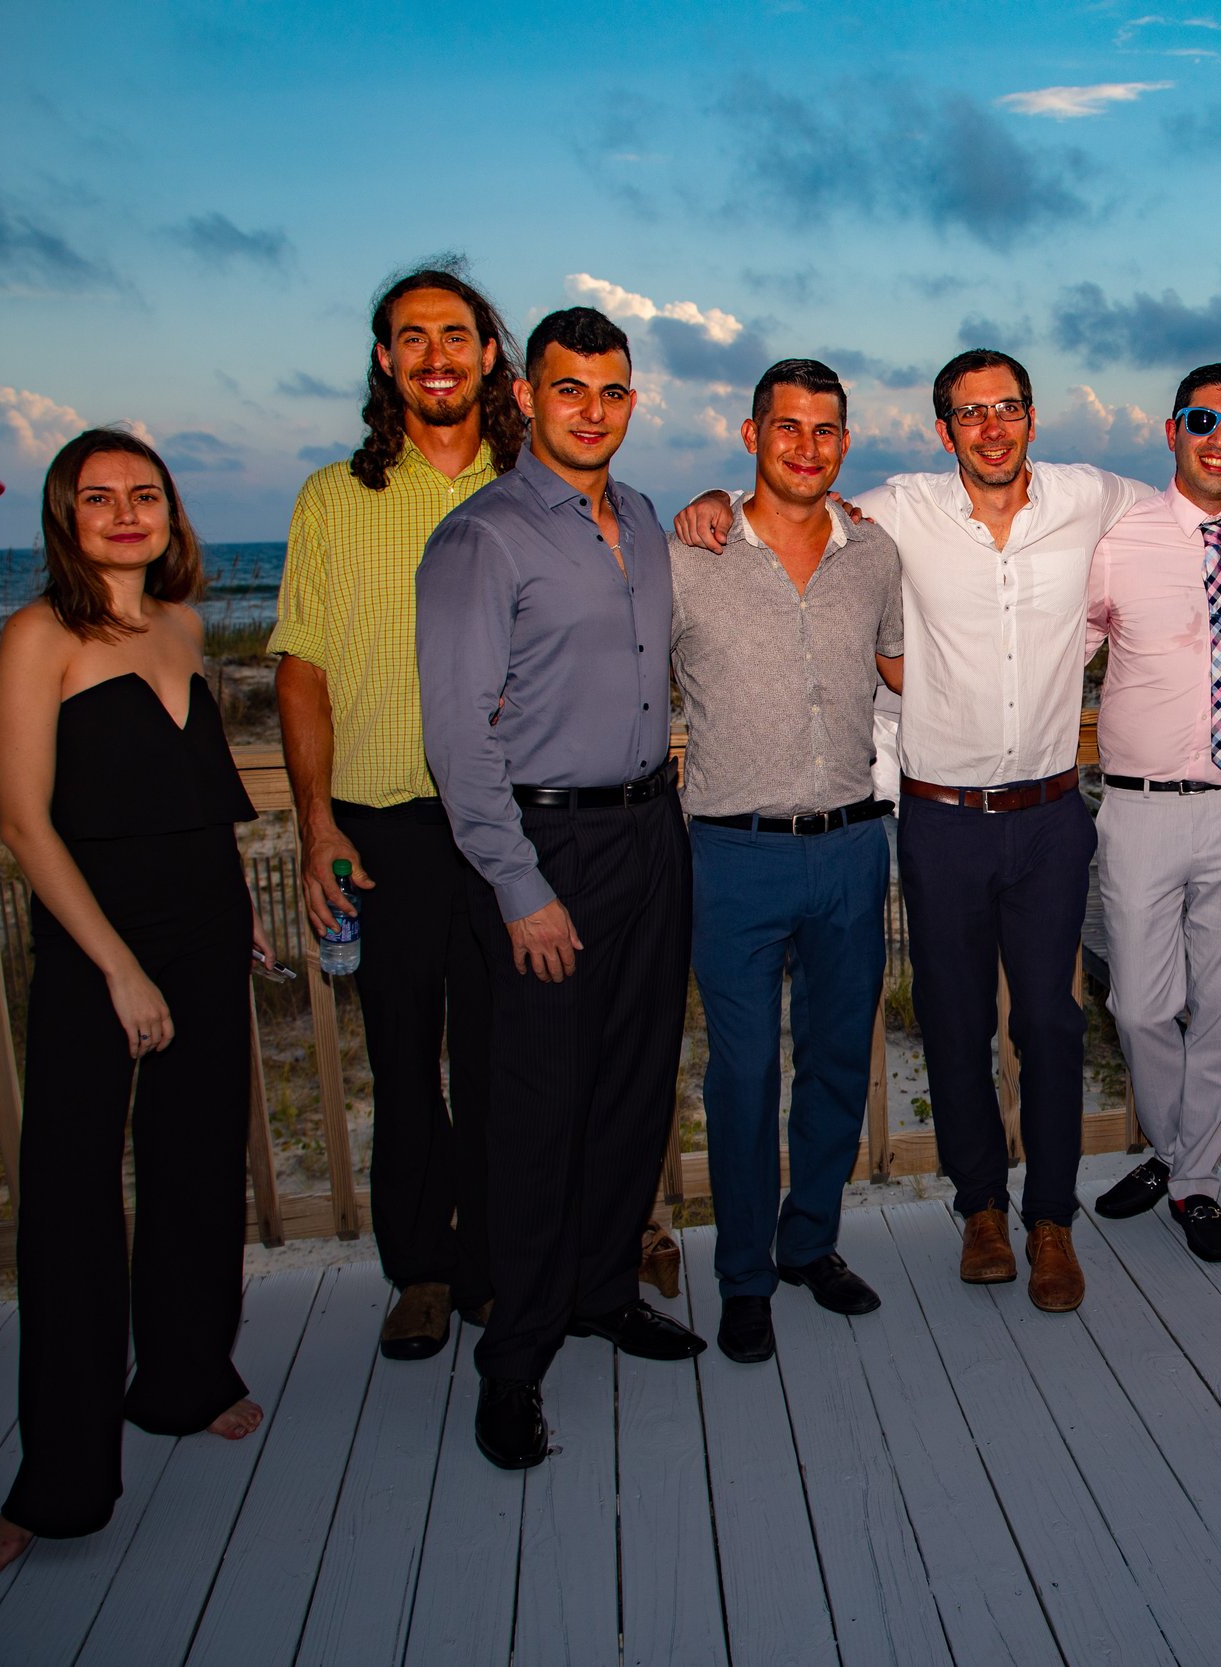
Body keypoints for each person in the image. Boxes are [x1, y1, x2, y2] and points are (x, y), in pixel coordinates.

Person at [678, 349, 1153, 1312]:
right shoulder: (896, 512)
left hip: (1054, 812)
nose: (991, 426)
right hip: (939, 818)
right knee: (951, 1019)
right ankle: (981, 1207)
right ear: (945, 431)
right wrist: (714, 501)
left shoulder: (1089, 495)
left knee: (1054, 1022)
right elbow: (795, 502)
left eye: (1007, 407)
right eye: (970, 413)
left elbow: (1193, 511)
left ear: (1032, 416)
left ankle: (1051, 1220)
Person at [0, 429, 272, 1579]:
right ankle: (61, 1481)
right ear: (66, 516)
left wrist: (232, 913)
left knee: (197, 1166)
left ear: (171, 511)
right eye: (99, 497)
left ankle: (188, 1377)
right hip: (97, 946)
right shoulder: (39, 635)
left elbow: (195, 800)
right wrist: (117, 967)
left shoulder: (182, 625)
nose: (125, 512)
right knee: (73, 1206)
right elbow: (25, 823)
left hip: (201, 930)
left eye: (144, 494)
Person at [417, 306, 704, 1473]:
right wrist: (520, 884)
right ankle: (514, 1360)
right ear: (526, 397)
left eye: (614, 390)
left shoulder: (637, 516)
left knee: (635, 1083)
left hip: (649, 831)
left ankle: (602, 1291)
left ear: (632, 402)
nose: (594, 408)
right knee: (536, 1115)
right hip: (548, 853)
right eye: (571, 388)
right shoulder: (480, 539)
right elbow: (456, 738)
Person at [271, 263, 523, 1362]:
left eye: (456, 336)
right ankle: (420, 1268)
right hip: (387, 833)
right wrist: (317, 824)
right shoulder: (334, 497)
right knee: (407, 1066)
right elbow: (301, 670)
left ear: (487, 357)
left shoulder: (533, 489)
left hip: (510, 828)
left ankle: (491, 1266)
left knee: (501, 1058)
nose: (436, 355)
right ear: (386, 359)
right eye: (413, 337)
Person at [670, 359, 903, 1363]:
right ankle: (743, 1275)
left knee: (839, 1062)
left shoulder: (874, 552)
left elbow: (898, 666)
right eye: (788, 427)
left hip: (854, 842)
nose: (807, 445)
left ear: (845, 442)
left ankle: (810, 1243)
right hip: (733, 854)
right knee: (743, 1071)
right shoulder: (691, 553)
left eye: (826, 429)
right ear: (751, 433)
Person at [1085, 364, 1221, 1264]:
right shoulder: (1117, 538)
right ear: (1171, 427)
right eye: (1204, 419)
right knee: (1140, 1004)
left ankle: (1193, 1177)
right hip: (1140, 808)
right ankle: (1179, 1150)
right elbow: (1072, 647)